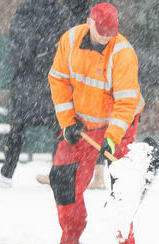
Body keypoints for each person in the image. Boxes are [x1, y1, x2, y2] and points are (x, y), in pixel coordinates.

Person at [48, 3, 145, 244]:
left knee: (122, 188)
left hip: (119, 124)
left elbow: (125, 103)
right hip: (82, 123)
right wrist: (67, 122)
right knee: (62, 179)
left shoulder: (123, 53)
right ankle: (70, 238)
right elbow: (58, 81)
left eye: (110, 31)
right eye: (100, 29)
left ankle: (125, 243)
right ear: (89, 22)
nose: (105, 36)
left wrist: (112, 137)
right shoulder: (69, 40)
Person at [35, 0, 107, 190]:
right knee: (73, 123)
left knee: (86, 123)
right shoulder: (74, 13)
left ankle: (67, 173)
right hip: (76, 65)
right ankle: (73, 173)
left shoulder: (74, 13)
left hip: (83, 68)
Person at [0, 0, 71, 188]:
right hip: (49, 82)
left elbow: (18, 47)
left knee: (17, 129)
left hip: (28, 82)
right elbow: (64, 46)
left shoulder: (25, 11)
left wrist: (28, 58)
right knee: (60, 128)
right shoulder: (60, 12)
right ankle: (57, 172)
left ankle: (7, 173)